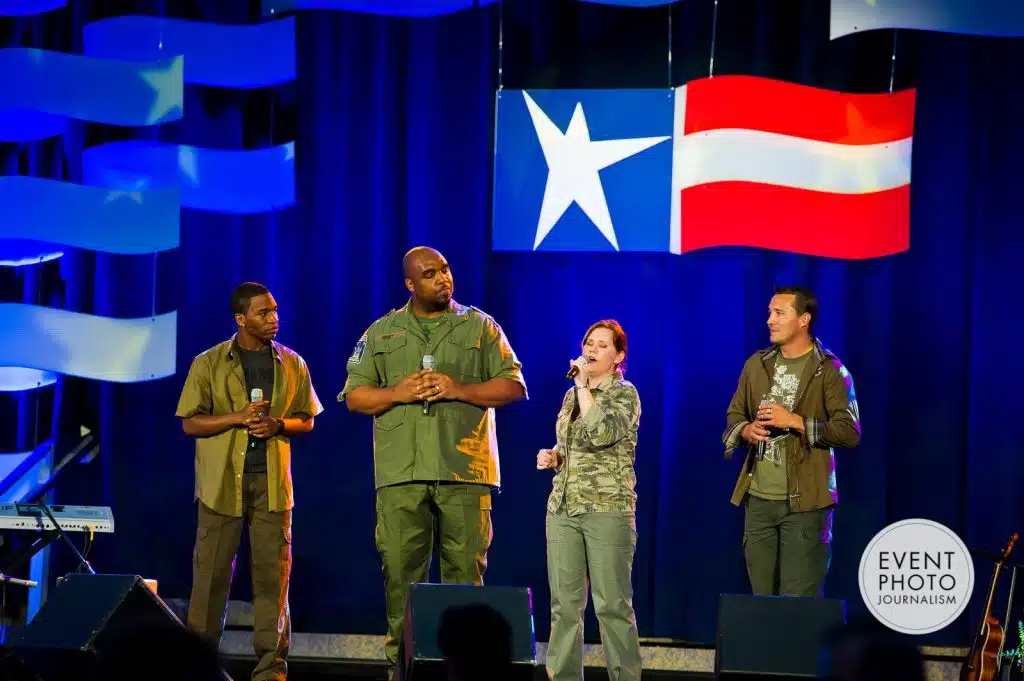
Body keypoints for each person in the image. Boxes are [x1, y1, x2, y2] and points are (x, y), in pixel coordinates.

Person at [338, 246, 527, 674]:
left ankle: (467, 673)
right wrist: (396, 393)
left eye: (445, 269)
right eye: (430, 274)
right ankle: (401, 672)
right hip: (402, 476)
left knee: (466, 584)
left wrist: (459, 389)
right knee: (401, 583)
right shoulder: (382, 331)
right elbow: (354, 396)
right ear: (410, 283)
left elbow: (513, 386)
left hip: (463, 471)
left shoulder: (480, 327)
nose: (443, 278)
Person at [176, 282, 323, 681]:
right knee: (209, 580)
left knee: (273, 582)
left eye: (275, 311)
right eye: (264, 313)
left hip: (273, 487)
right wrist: (237, 418)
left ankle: (270, 671)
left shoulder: (293, 363)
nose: (274, 318)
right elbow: (190, 421)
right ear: (241, 319)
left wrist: (278, 424)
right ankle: (198, 668)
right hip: (222, 485)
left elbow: (307, 419)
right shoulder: (208, 363)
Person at [722, 286, 861, 597]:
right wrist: (745, 431)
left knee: (798, 603)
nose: (769, 320)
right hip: (758, 500)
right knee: (762, 600)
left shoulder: (830, 370)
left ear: (804, 319)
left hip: (806, 505)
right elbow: (733, 416)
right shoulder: (756, 364)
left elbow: (849, 432)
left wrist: (795, 421)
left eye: (779, 313)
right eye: (769, 313)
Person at [536, 319, 642, 681]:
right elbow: (575, 447)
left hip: (606, 510)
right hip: (564, 508)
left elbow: (602, 434)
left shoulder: (624, 393)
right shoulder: (571, 396)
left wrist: (583, 385)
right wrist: (554, 456)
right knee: (564, 606)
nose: (592, 350)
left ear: (618, 355)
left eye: (602, 345)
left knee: (612, 606)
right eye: (589, 343)